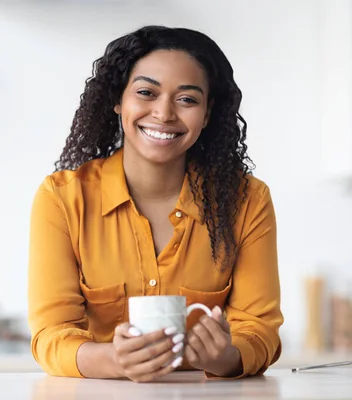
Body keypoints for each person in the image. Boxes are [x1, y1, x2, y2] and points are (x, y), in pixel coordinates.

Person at [28, 25, 283, 383]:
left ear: (207, 114)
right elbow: (51, 335)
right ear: (118, 99)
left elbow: (260, 329)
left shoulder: (247, 201)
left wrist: (227, 357)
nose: (164, 114)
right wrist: (114, 361)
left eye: (187, 99)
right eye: (146, 92)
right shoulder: (62, 199)